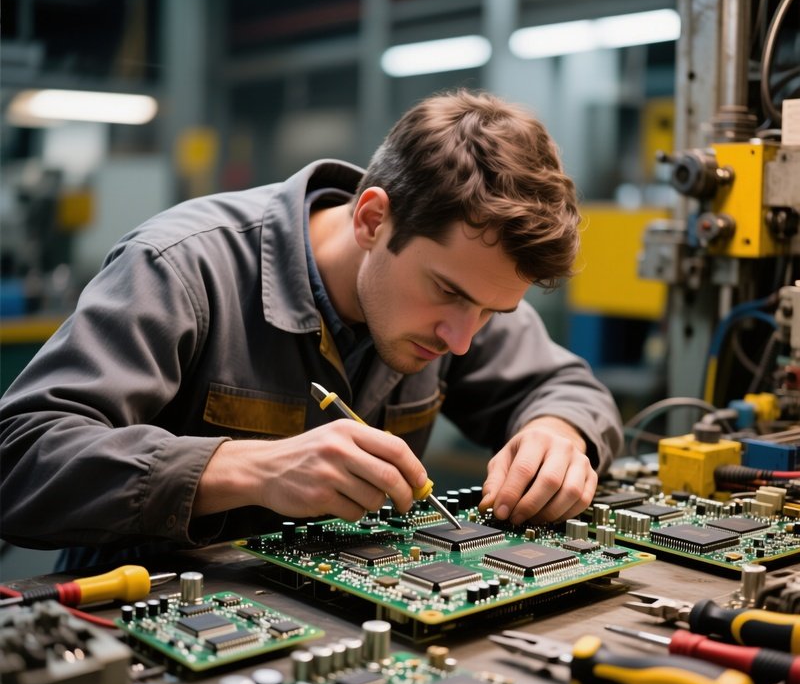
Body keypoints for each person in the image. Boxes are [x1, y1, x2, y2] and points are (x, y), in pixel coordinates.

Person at [0, 89, 622, 570]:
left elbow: (566, 387)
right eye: (450, 294)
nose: (463, 339)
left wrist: (558, 433)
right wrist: (244, 470)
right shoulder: (183, 266)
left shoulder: (464, 289)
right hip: (144, 621)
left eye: (491, 313)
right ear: (374, 219)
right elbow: (20, 457)